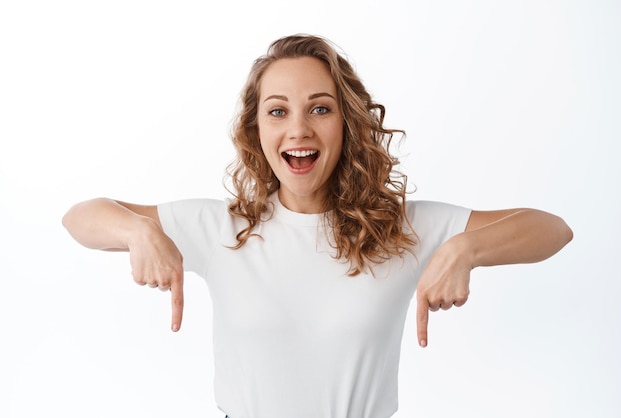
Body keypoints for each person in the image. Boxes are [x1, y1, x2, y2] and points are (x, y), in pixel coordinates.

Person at [62, 34, 573, 418]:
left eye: (320, 109)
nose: (298, 129)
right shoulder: (220, 226)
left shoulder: (401, 229)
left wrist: (467, 249)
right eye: (278, 111)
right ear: (256, 128)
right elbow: (80, 216)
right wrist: (137, 231)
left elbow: (551, 229)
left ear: (346, 123)